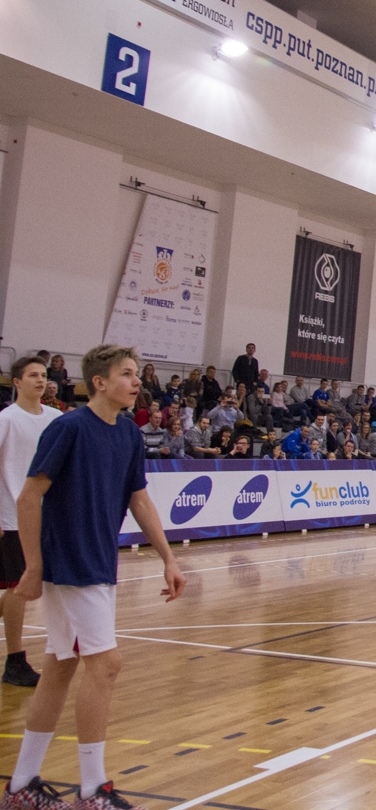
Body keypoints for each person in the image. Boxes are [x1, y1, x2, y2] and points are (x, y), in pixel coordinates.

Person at [2, 344, 186, 810]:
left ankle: (21, 785)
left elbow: (139, 499)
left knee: (60, 666)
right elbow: (28, 497)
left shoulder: (127, 434)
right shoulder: (68, 428)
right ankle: (93, 790)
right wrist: (34, 566)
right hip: (70, 563)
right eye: (126, 374)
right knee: (105, 665)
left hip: (100, 561)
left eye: (136, 373)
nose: (136, 381)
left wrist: (168, 558)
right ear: (99, 382)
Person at [0, 358, 61, 689]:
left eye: (44, 375)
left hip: (46, 514)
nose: (41, 380)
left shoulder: (55, 419)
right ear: (17, 382)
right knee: (17, 587)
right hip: (12, 515)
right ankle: (15, 661)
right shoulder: (7, 419)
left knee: (28, 588)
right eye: (33, 375)